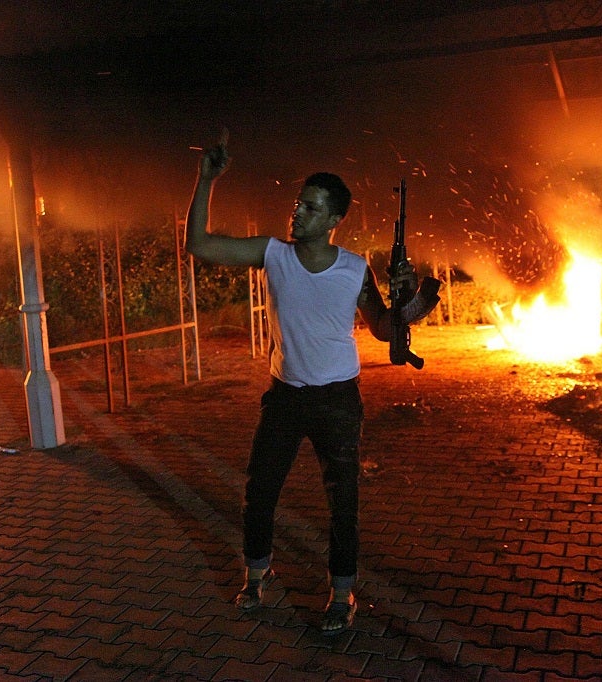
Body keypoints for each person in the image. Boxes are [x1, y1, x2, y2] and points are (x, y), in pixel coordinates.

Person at [185, 134, 437, 635]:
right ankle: (256, 576)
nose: (298, 213)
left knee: (343, 504)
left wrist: (411, 300)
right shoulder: (273, 254)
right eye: (299, 203)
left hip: (338, 401)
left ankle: (342, 595)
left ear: (333, 221)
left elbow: (384, 329)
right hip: (284, 397)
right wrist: (205, 180)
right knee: (259, 494)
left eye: (311, 207)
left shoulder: (353, 269)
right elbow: (199, 245)